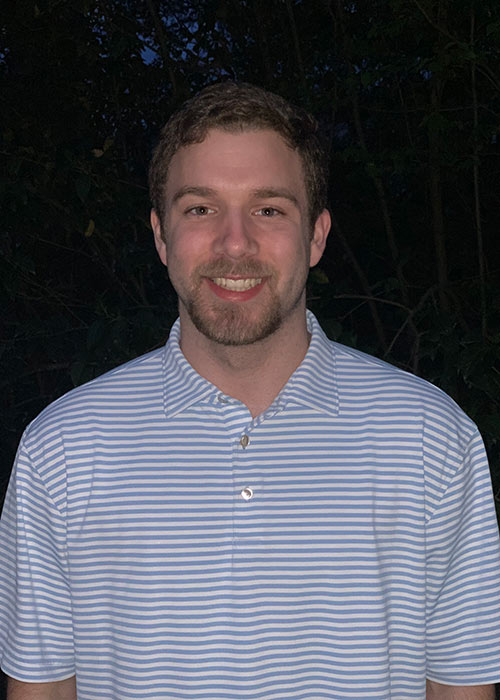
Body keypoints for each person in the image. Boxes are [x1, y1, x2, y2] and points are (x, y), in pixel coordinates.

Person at [1, 82, 500, 700]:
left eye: (268, 209)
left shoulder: (432, 440)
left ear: (316, 236)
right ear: (161, 235)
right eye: (200, 208)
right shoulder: (63, 449)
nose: (234, 243)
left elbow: (462, 687)